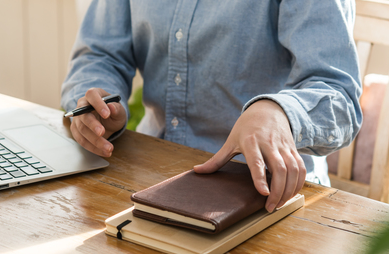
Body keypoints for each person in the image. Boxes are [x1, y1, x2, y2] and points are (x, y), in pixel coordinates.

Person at [61, 0, 362, 213]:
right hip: (148, 174)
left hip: (270, 194)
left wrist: (278, 112)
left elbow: (340, 96)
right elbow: (100, 55)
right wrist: (99, 107)